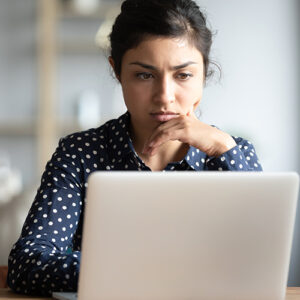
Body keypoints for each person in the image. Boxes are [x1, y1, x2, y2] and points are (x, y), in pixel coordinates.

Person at [7, 0, 262, 295]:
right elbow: (27, 264)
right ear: (117, 71)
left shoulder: (232, 152)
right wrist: (154, 271)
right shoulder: (80, 154)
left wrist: (223, 149)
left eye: (183, 75)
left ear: (204, 72)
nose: (165, 96)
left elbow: (261, 262)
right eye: (145, 75)